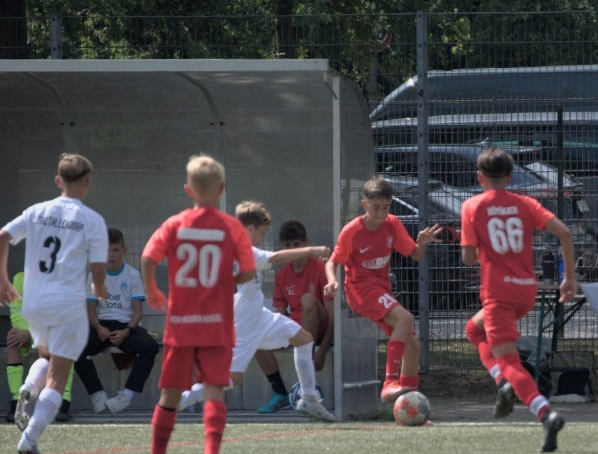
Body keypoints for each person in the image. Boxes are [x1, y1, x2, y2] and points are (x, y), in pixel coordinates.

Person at [141, 155, 256, 454]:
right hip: (216, 323)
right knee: (214, 391)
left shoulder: (175, 224)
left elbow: (148, 257)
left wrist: (151, 290)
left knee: (169, 395)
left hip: (181, 323)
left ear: (188, 189)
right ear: (221, 189)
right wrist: (226, 282)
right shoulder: (232, 227)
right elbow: (248, 271)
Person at [460, 147, 576, 451]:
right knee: (473, 330)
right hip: (525, 290)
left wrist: (479, 246)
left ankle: (545, 413)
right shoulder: (526, 204)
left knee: (510, 361)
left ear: (479, 177)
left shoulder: (472, 206)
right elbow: (564, 233)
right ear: (510, 177)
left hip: (498, 293)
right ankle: (503, 383)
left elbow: (468, 259)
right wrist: (569, 278)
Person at [177, 201, 335, 422]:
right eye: (261, 233)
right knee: (232, 379)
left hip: (259, 315)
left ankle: (308, 398)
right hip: (245, 320)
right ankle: (179, 400)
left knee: (304, 339)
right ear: (250, 228)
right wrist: (312, 250)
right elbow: (276, 258)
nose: (261, 238)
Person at [0, 153, 108, 454]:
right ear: (87, 182)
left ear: (58, 181)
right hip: (67, 304)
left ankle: (28, 387)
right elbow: (98, 269)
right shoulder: (92, 220)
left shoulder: (37, 211)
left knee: (45, 356)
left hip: (34, 303)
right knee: (58, 375)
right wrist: (100, 288)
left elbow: (3, 236)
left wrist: (1, 280)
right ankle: (30, 438)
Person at [324, 176, 442, 404]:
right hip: (359, 290)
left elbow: (415, 255)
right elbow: (332, 261)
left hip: (381, 289)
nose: (381, 213)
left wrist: (421, 244)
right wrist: (332, 281)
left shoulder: (392, 224)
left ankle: (408, 406)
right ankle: (389, 382)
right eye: (375, 207)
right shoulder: (352, 231)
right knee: (405, 318)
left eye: (386, 207)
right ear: (364, 204)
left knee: (412, 346)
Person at [72, 228, 160, 414]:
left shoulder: (133, 275)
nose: (111, 255)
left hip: (125, 326)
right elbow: (90, 310)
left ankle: (126, 396)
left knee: (150, 347)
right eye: (106, 250)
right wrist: (98, 328)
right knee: (74, 347)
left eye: (116, 250)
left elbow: (137, 312)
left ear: (124, 250)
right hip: (101, 325)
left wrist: (127, 330)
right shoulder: (95, 275)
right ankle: (97, 395)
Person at [254, 219, 334, 413]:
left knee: (307, 299)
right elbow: (280, 315)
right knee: (256, 335)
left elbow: (332, 316)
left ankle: (306, 388)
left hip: (318, 327)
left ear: (306, 243)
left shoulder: (320, 268)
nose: (292, 250)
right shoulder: (282, 275)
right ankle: (280, 393)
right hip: (295, 328)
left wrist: (321, 351)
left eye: (296, 244)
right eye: (287, 246)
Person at [5, 271, 77, 424]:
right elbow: (16, 311)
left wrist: (34, 332)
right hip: (29, 329)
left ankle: (63, 399)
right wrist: (26, 332)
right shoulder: (20, 278)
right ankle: (16, 401)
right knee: (12, 339)